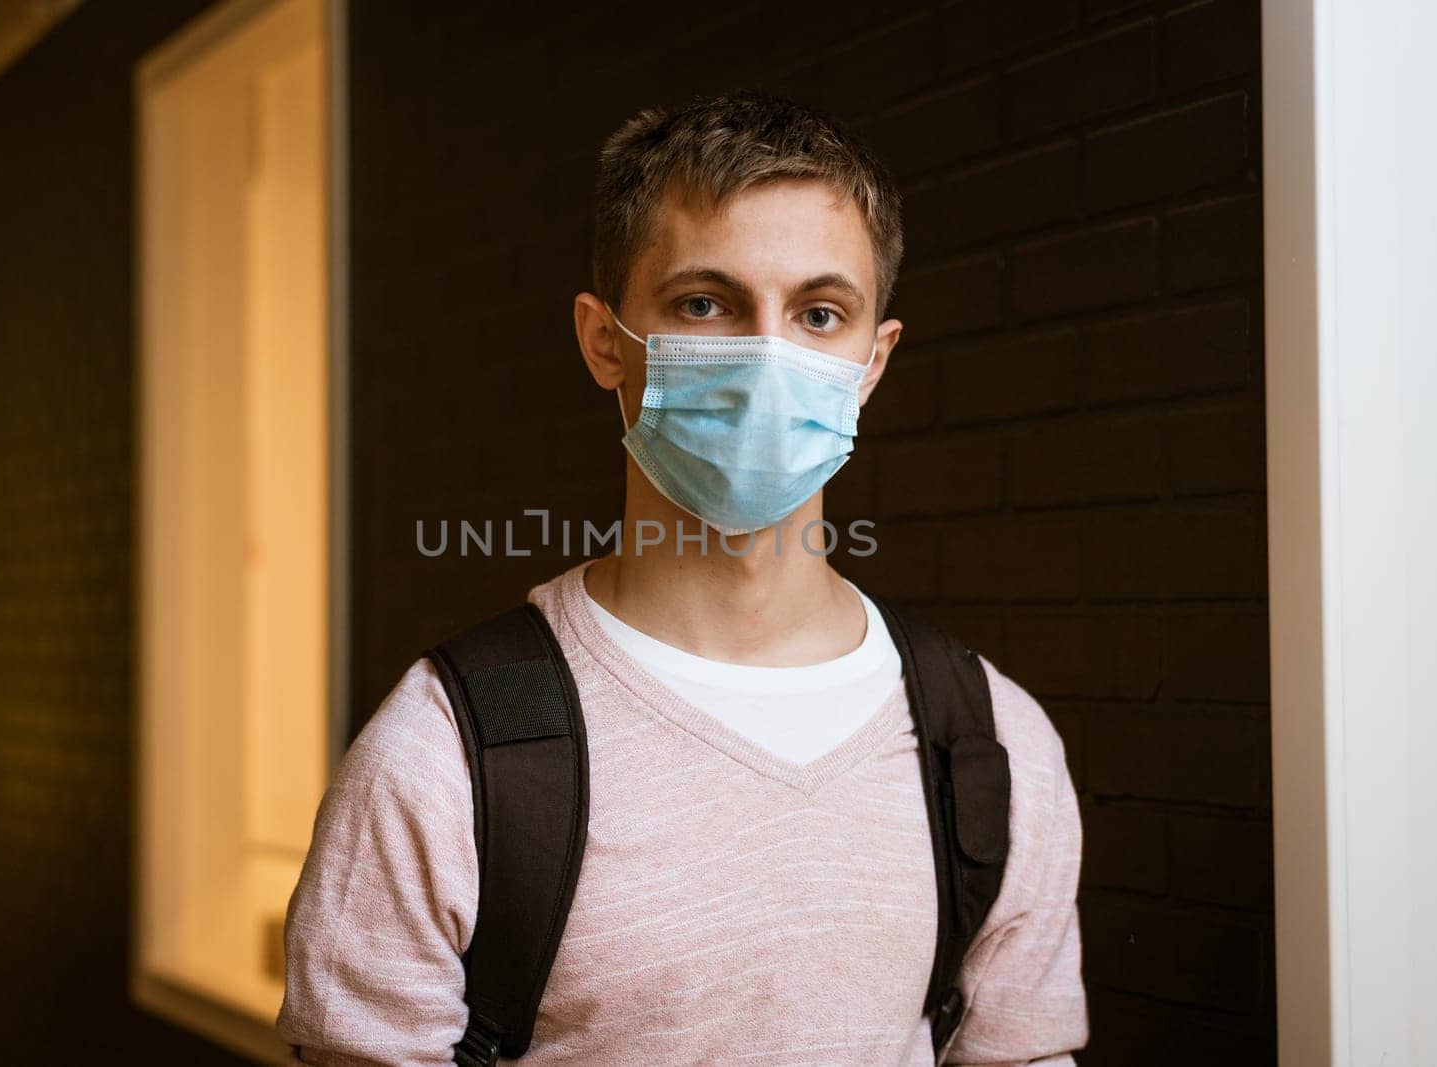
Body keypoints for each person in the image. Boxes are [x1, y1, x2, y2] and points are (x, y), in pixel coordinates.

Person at [277, 88, 1088, 1066]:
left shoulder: (992, 746)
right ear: (603, 340)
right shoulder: (444, 755)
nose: (766, 357)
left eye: (819, 313)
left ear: (872, 360)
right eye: (706, 303)